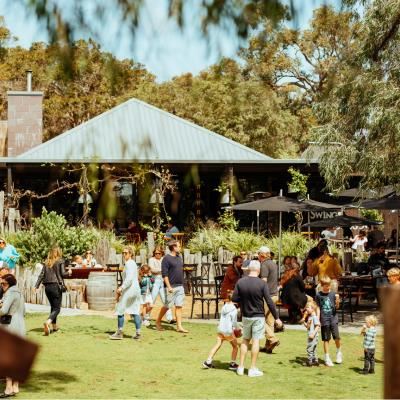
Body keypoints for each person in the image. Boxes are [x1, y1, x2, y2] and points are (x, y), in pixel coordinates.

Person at [232, 260, 283, 377]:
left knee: (245, 340)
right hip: (258, 316)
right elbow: (269, 302)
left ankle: (240, 367)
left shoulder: (240, 282)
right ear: (259, 270)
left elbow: (235, 298)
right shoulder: (262, 284)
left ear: (249, 269)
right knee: (255, 341)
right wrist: (277, 318)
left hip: (246, 316)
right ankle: (252, 368)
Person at [35, 246, 71, 335]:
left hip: (47, 288)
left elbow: (41, 275)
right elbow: (63, 274)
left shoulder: (47, 262)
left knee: (53, 307)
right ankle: (48, 322)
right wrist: (69, 272)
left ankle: (54, 326)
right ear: (59, 252)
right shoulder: (60, 261)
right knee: (57, 309)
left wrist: (36, 286)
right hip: (56, 286)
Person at [0, 274, 26, 397]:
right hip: (21, 326)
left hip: (10, 326)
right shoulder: (20, 293)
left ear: (9, 284)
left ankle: (8, 388)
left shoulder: (10, 293)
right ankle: (15, 387)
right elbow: (24, 311)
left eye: (3, 284)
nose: (2, 286)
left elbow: (3, 311)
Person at [202, 290, 240, 370]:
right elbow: (234, 322)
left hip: (220, 329)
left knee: (217, 345)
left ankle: (208, 361)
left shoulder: (224, 307)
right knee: (235, 347)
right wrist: (238, 329)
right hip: (228, 331)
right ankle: (232, 364)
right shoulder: (234, 309)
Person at [110, 247, 142, 340]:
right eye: (123, 253)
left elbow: (129, 279)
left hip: (130, 290)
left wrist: (121, 288)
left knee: (120, 309)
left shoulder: (129, 264)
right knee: (135, 311)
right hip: (136, 290)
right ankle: (138, 334)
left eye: (126, 253)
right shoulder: (133, 264)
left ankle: (119, 333)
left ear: (131, 254)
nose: (124, 254)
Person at [156, 240, 188, 333]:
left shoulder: (179, 257)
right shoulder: (166, 259)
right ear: (174, 247)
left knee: (179, 306)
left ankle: (179, 326)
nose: (180, 247)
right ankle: (158, 321)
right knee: (167, 306)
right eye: (178, 246)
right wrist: (169, 286)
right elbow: (164, 274)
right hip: (171, 287)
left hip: (180, 286)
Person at [315, 276, 342, 367]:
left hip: (333, 318)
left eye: (329, 285)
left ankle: (338, 352)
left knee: (336, 337)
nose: (327, 287)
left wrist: (337, 301)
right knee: (326, 339)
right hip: (324, 319)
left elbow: (337, 307)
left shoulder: (334, 294)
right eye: (325, 286)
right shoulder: (318, 295)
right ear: (321, 285)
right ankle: (327, 357)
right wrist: (318, 320)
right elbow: (318, 307)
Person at [258, 246, 280, 353]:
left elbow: (264, 281)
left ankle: (272, 338)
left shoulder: (264, 264)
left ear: (262, 254)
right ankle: (268, 347)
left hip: (268, 296)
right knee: (269, 321)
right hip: (275, 295)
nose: (258, 256)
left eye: (258, 254)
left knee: (260, 319)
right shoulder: (273, 263)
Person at [149, 248, 174, 323]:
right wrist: (162, 270)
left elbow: (168, 269)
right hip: (155, 281)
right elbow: (152, 270)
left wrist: (161, 271)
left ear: (161, 253)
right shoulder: (151, 260)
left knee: (166, 300)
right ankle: (146, 318)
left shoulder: (164, 259)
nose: (157, 255)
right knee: (152, 300)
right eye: (156, 253)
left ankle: (170, 318)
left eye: (159, 253)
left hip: (163, 282)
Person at [303, 301, 320, 367]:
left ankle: (309, 361)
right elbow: (308, 327)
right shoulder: (310, 317)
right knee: (314, 349)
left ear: (312, 309)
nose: (306, 309)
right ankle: (315, 361)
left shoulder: (314, 317)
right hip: (311, 335)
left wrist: (313, 334)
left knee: (309, 348)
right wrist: (303, 322)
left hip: (313, 336)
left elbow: (317, 326)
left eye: (308, 307)